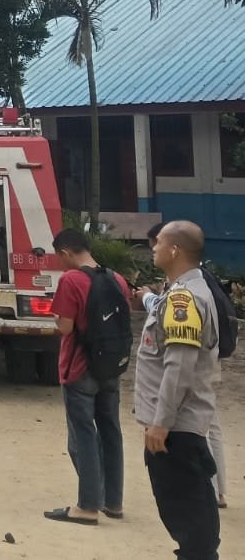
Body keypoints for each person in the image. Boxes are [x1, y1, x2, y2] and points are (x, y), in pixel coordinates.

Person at [137, 221, 222, 560]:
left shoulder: (183, 298)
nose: (153, 248)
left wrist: (161, 422)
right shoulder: (183, 291)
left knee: (190, 521)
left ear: (174, 250)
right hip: (178, 426)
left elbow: (180, 366)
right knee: (188, 517)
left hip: (176, 429)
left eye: (158, 243)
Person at [42, 228, 129, 527]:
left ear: (66, 252)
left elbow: (66, 327)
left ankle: (88, 506)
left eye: (59, 257)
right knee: (110, 431)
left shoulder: (71, 280)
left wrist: (56, 316)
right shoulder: (117, 279)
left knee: (83, 437)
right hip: (111, 367)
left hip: (79, 368)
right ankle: (113, 502)